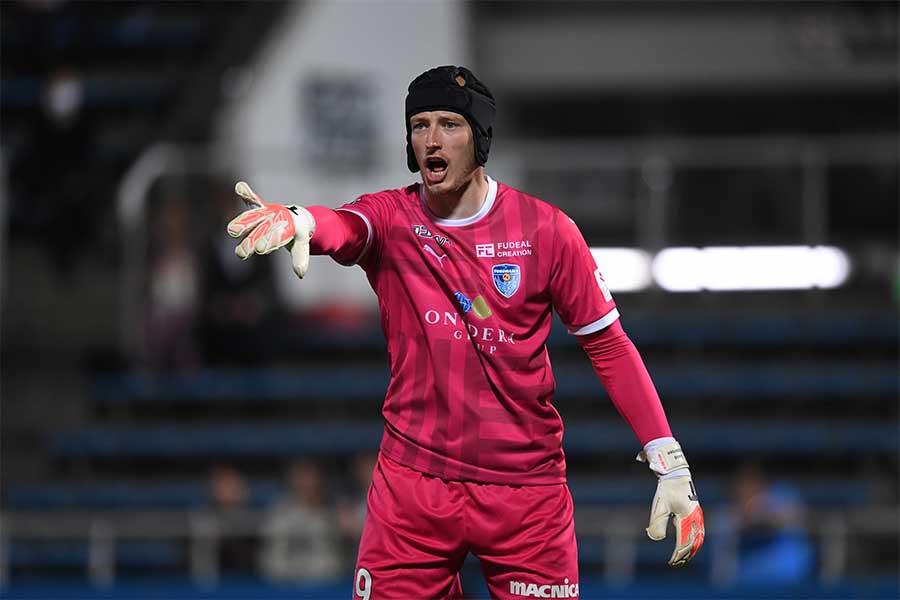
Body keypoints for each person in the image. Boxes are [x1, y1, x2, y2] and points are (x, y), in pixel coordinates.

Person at [227, 65, 704, 599]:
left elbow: (608, 344)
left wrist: (668, 461)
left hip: (525, 492)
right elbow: (344, 226)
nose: (432, 139)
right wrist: (302, 222)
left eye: (449, 124)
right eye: (420, 125)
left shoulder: (547, 230)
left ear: (479, 139)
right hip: (413, 487)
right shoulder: (391, 218)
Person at [259, 459, 343, 583]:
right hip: (284, 582)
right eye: (302, 477)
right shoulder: (279, 511)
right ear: (293, 480)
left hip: (324, 582)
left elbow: (335, 561)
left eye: (310, 477)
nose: (307, 483)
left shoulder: (333, 512)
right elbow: (272, 555)